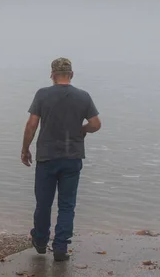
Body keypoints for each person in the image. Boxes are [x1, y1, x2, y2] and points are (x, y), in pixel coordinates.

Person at [21, 57, 101, 262]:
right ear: (71, 75)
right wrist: (83, 129)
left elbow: (32, 124)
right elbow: (96, 124)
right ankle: (61, 247)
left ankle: (39, 240)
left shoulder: (43, 94)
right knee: (67, 205)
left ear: (52, 75)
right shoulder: (83, 96)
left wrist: (25, 149)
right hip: (72, 157)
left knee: (43, 203)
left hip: (47, 157)